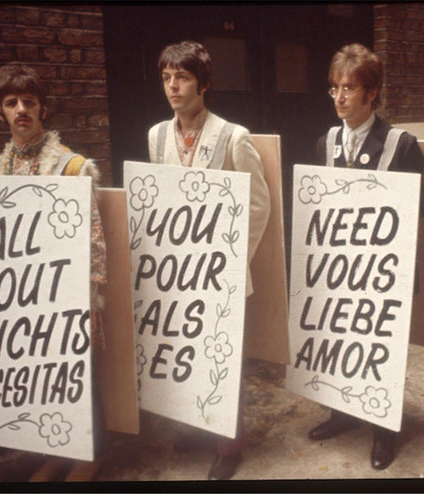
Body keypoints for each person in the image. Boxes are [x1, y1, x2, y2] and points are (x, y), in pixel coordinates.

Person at [147, 40, 271, 481]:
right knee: (190, 357)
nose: (173, 86)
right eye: (166, 77)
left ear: (203, 83)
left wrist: (233, 263)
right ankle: (202, 428)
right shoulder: (157, 136)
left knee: (222, 358)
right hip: (179, 276)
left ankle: (228, 444)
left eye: (181, 76)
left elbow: (258, 207)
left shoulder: (232, 136)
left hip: (221, 276)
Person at [0, 63, 109, 479]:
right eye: (11, 102)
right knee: (38, 377)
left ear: (43, 110)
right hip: (21, 297)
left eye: (29, 102)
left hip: (66, 294)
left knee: (76, 375)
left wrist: (91, 298)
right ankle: (57, 452)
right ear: (0, 111)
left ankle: (92, 455)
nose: (21, 110)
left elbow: (93, 238)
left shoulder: (72, 168)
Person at [309, 43, 424, 470]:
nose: (340, 98)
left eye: (349, 88)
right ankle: (342, 412)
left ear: (372, 92)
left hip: (385, 272)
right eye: (334, 88)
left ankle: (383, 429)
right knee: (340, 342)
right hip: (339, 269)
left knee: (382, 350)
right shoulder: (326, 141)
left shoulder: (400, 144)